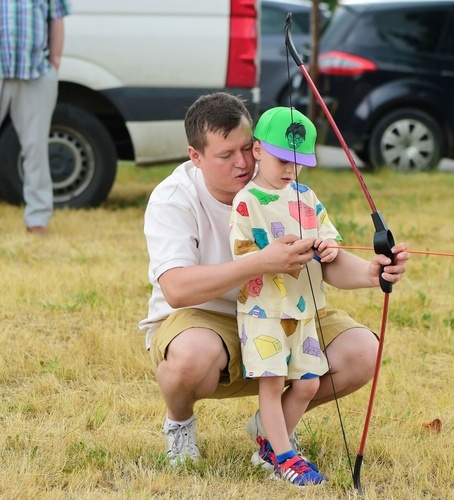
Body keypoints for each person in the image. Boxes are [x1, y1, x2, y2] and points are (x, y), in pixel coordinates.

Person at [138, 92, 409, 472]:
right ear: (195, 157)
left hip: (283, 311)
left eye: (248, 148)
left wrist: (372, 272)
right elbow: (177, 290)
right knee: (191, 359)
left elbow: (326, 259)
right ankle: (179, 424)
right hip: (204, 320)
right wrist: (260, 262)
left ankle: (273, 431)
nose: (243, 163)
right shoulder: (173, 198)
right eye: (226, 154)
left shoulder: (285, 188)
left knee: (364, 350)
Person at [229, 106, 341, 485]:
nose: (291, 169)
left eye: (299, 162)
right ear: (258, 149)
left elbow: (328, 232)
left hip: (304, 308)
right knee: (273, 382)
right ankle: (286, 458)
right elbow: (243, 253)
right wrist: (274, 254)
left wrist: (328, 247)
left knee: (308, 383)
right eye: (282, 159)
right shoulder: (247, 200)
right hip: (264, 311)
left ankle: (268, 445)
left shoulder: (306, 196)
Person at [0, 0, 71, 236]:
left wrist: (55, 64)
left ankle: (37, 219)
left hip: (36, 74)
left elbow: (57, 18)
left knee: (36, 148)